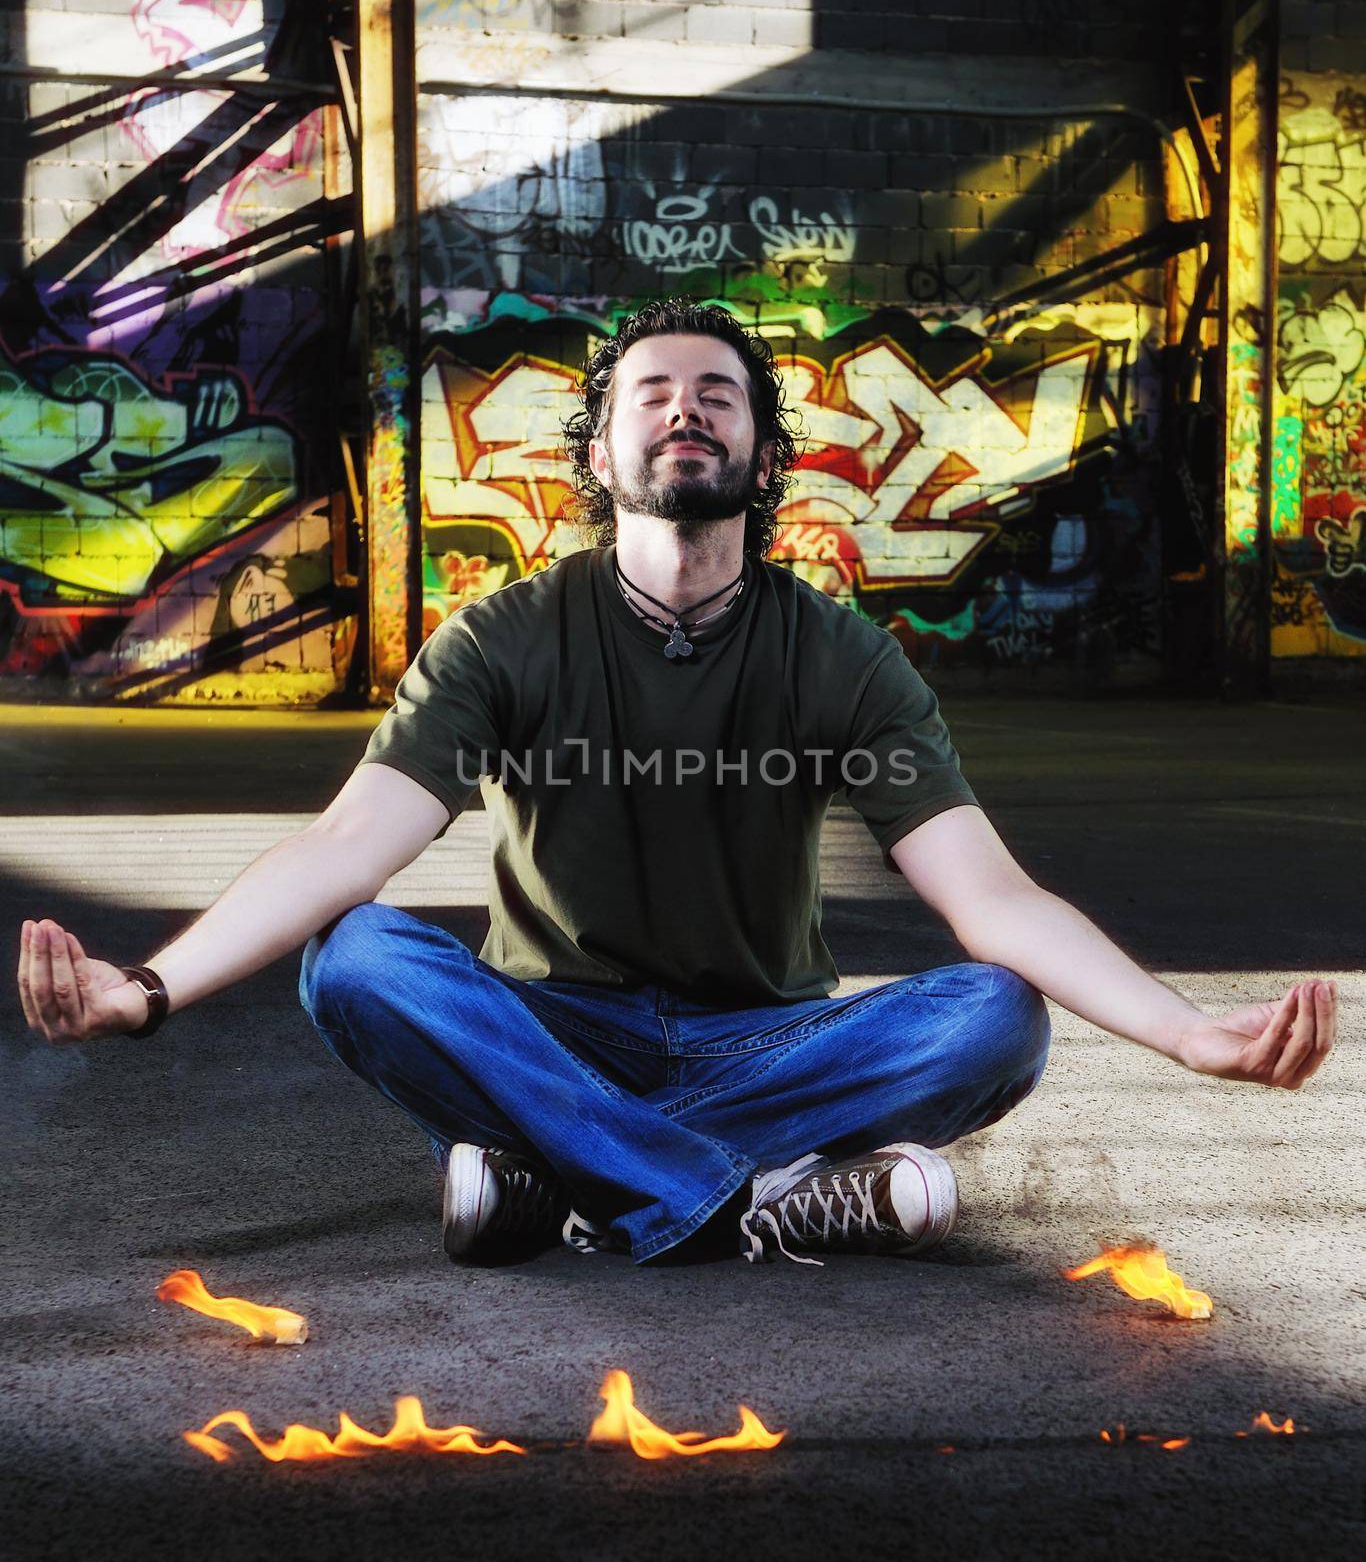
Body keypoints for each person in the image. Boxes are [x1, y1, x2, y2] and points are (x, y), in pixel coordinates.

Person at [17, 298, 1338, 1270]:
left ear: (765, 458)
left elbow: (988, 898)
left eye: (718, 392)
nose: (683, 408)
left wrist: (1183, 1034)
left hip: (761, 1034)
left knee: (994, 1015)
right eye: (648, 392)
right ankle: (740, 1196)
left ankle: (563, 1179)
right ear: (598, 456)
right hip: (552, 1027)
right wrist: (147, 989)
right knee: (354, 956)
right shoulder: (505, 637)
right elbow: (348, 847)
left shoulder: (838, 654)